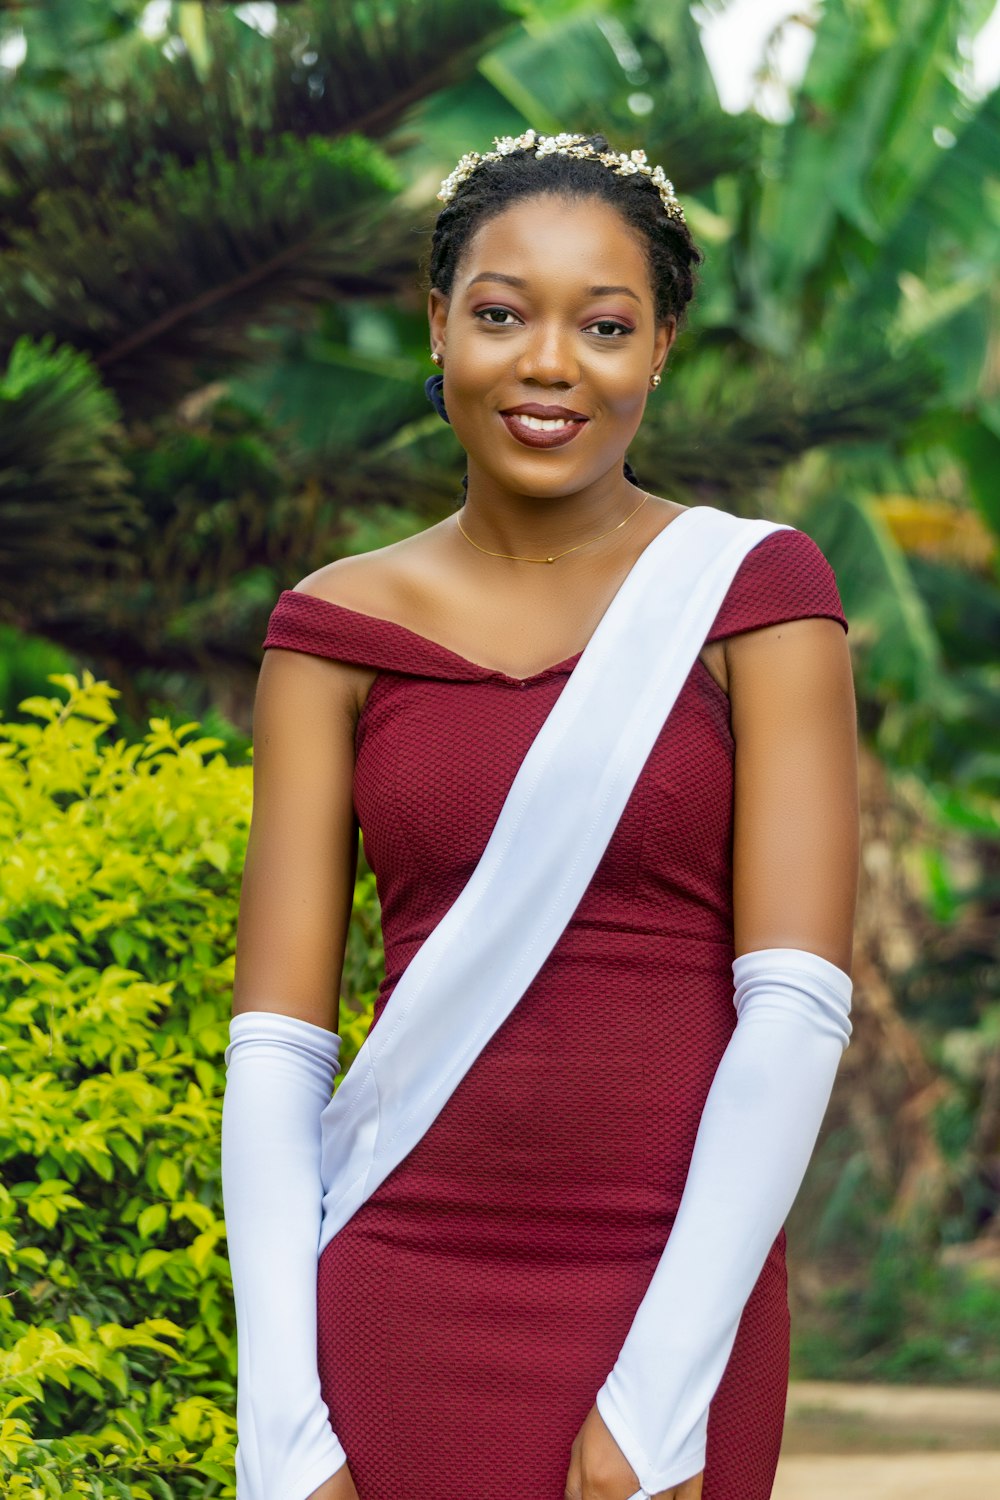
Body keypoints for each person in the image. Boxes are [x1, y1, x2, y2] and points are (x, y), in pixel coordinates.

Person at [221, 131, 860, 1500]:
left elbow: (797, 1005)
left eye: (606, 324)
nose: (552, 364)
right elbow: (278, 1046)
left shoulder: (757, 596)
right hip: (392, 1283)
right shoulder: (332, 631)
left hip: (672, 1285)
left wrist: (658, 1390)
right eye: (503, 314)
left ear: (664, 347)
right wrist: (281, 1423)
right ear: (437, 324)